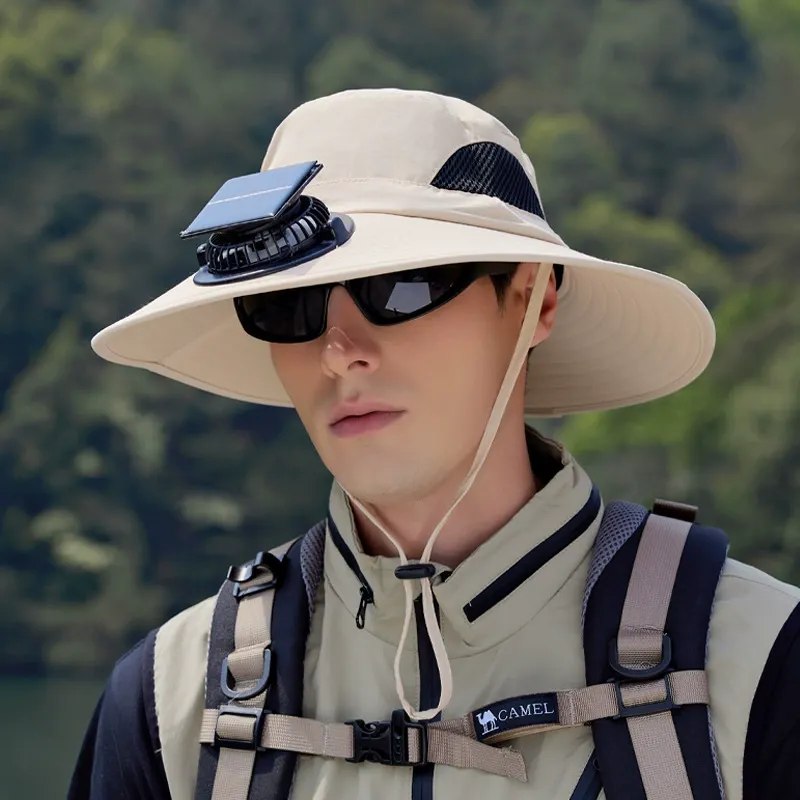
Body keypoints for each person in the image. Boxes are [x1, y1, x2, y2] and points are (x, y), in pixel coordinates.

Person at [68, 88, 800, 800]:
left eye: (402, 285)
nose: (340, 352)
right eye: (289, 305)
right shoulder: (170, 703)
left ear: (532, 298)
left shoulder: (758, 663)